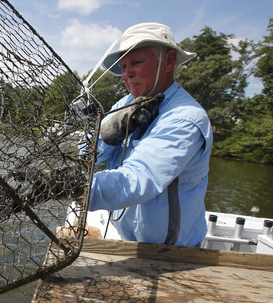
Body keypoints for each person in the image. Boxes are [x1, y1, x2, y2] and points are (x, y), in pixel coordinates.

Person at [15, 22, 212, 247]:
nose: (127, 73)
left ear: (168, 61)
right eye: (124, 65)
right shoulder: (125, 103)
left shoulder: (186, 119)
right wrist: (109, 133)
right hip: (126, 239)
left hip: (170, 251)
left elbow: (138, 180)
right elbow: (88, 156)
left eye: (136, 62)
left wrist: (63, 184)